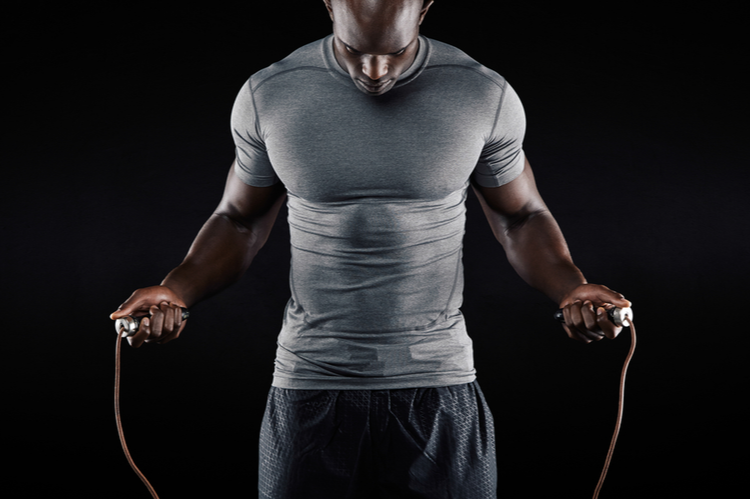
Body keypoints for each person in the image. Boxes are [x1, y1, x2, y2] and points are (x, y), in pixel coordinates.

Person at [111, 0, 631, 497]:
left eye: (395, 53)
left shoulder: (481, 94)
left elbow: (520, 216)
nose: (377, 72)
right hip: (309, 386)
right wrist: (173, 290)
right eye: (359, 52)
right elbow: (239, 219)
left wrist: (571, 286)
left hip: (439, 384)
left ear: (424, 11)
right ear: (329, 8)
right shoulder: (270, 93)